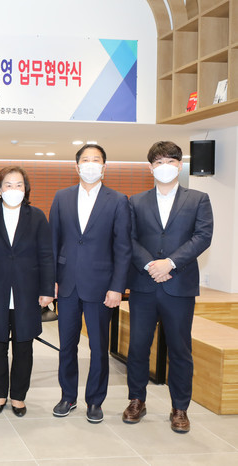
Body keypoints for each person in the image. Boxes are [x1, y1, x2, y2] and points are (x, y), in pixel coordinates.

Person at [123, 141, 213, 433]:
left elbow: (202, 236)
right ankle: (137, 400)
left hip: (179, 285)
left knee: (180, 349)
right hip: (144, 285)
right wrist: (151, 265)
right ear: (150, 168)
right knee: (138, 346)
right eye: (159, 162)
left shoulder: (198, 199)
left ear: (180, 165)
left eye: (171, 161)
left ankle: (179, 408)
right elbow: (128, 239)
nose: (165, 167)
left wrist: (170, 263)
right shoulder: (135, 201)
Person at [49, 143, 131, 423]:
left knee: (98, 347)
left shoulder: (118, 200)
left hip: (101, 286)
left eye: (96, 160)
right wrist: (51, 280)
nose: (91, 164)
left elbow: (123, 248)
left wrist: (117, 287)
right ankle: (67, 396)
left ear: (104, 167)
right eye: (86, 160)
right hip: (66, 284)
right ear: (77, 166)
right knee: (66, 345)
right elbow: (53, 241)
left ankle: (95, 401)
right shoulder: (62, 197)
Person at [0, 166, 54, 417]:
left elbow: (46, 256)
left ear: (25, 189)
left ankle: (18, 396)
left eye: (19, 185)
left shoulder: (37, 216)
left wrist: (47, 289)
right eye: (8, 184)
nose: (13, 189)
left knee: (23, 347)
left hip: (27, 292)